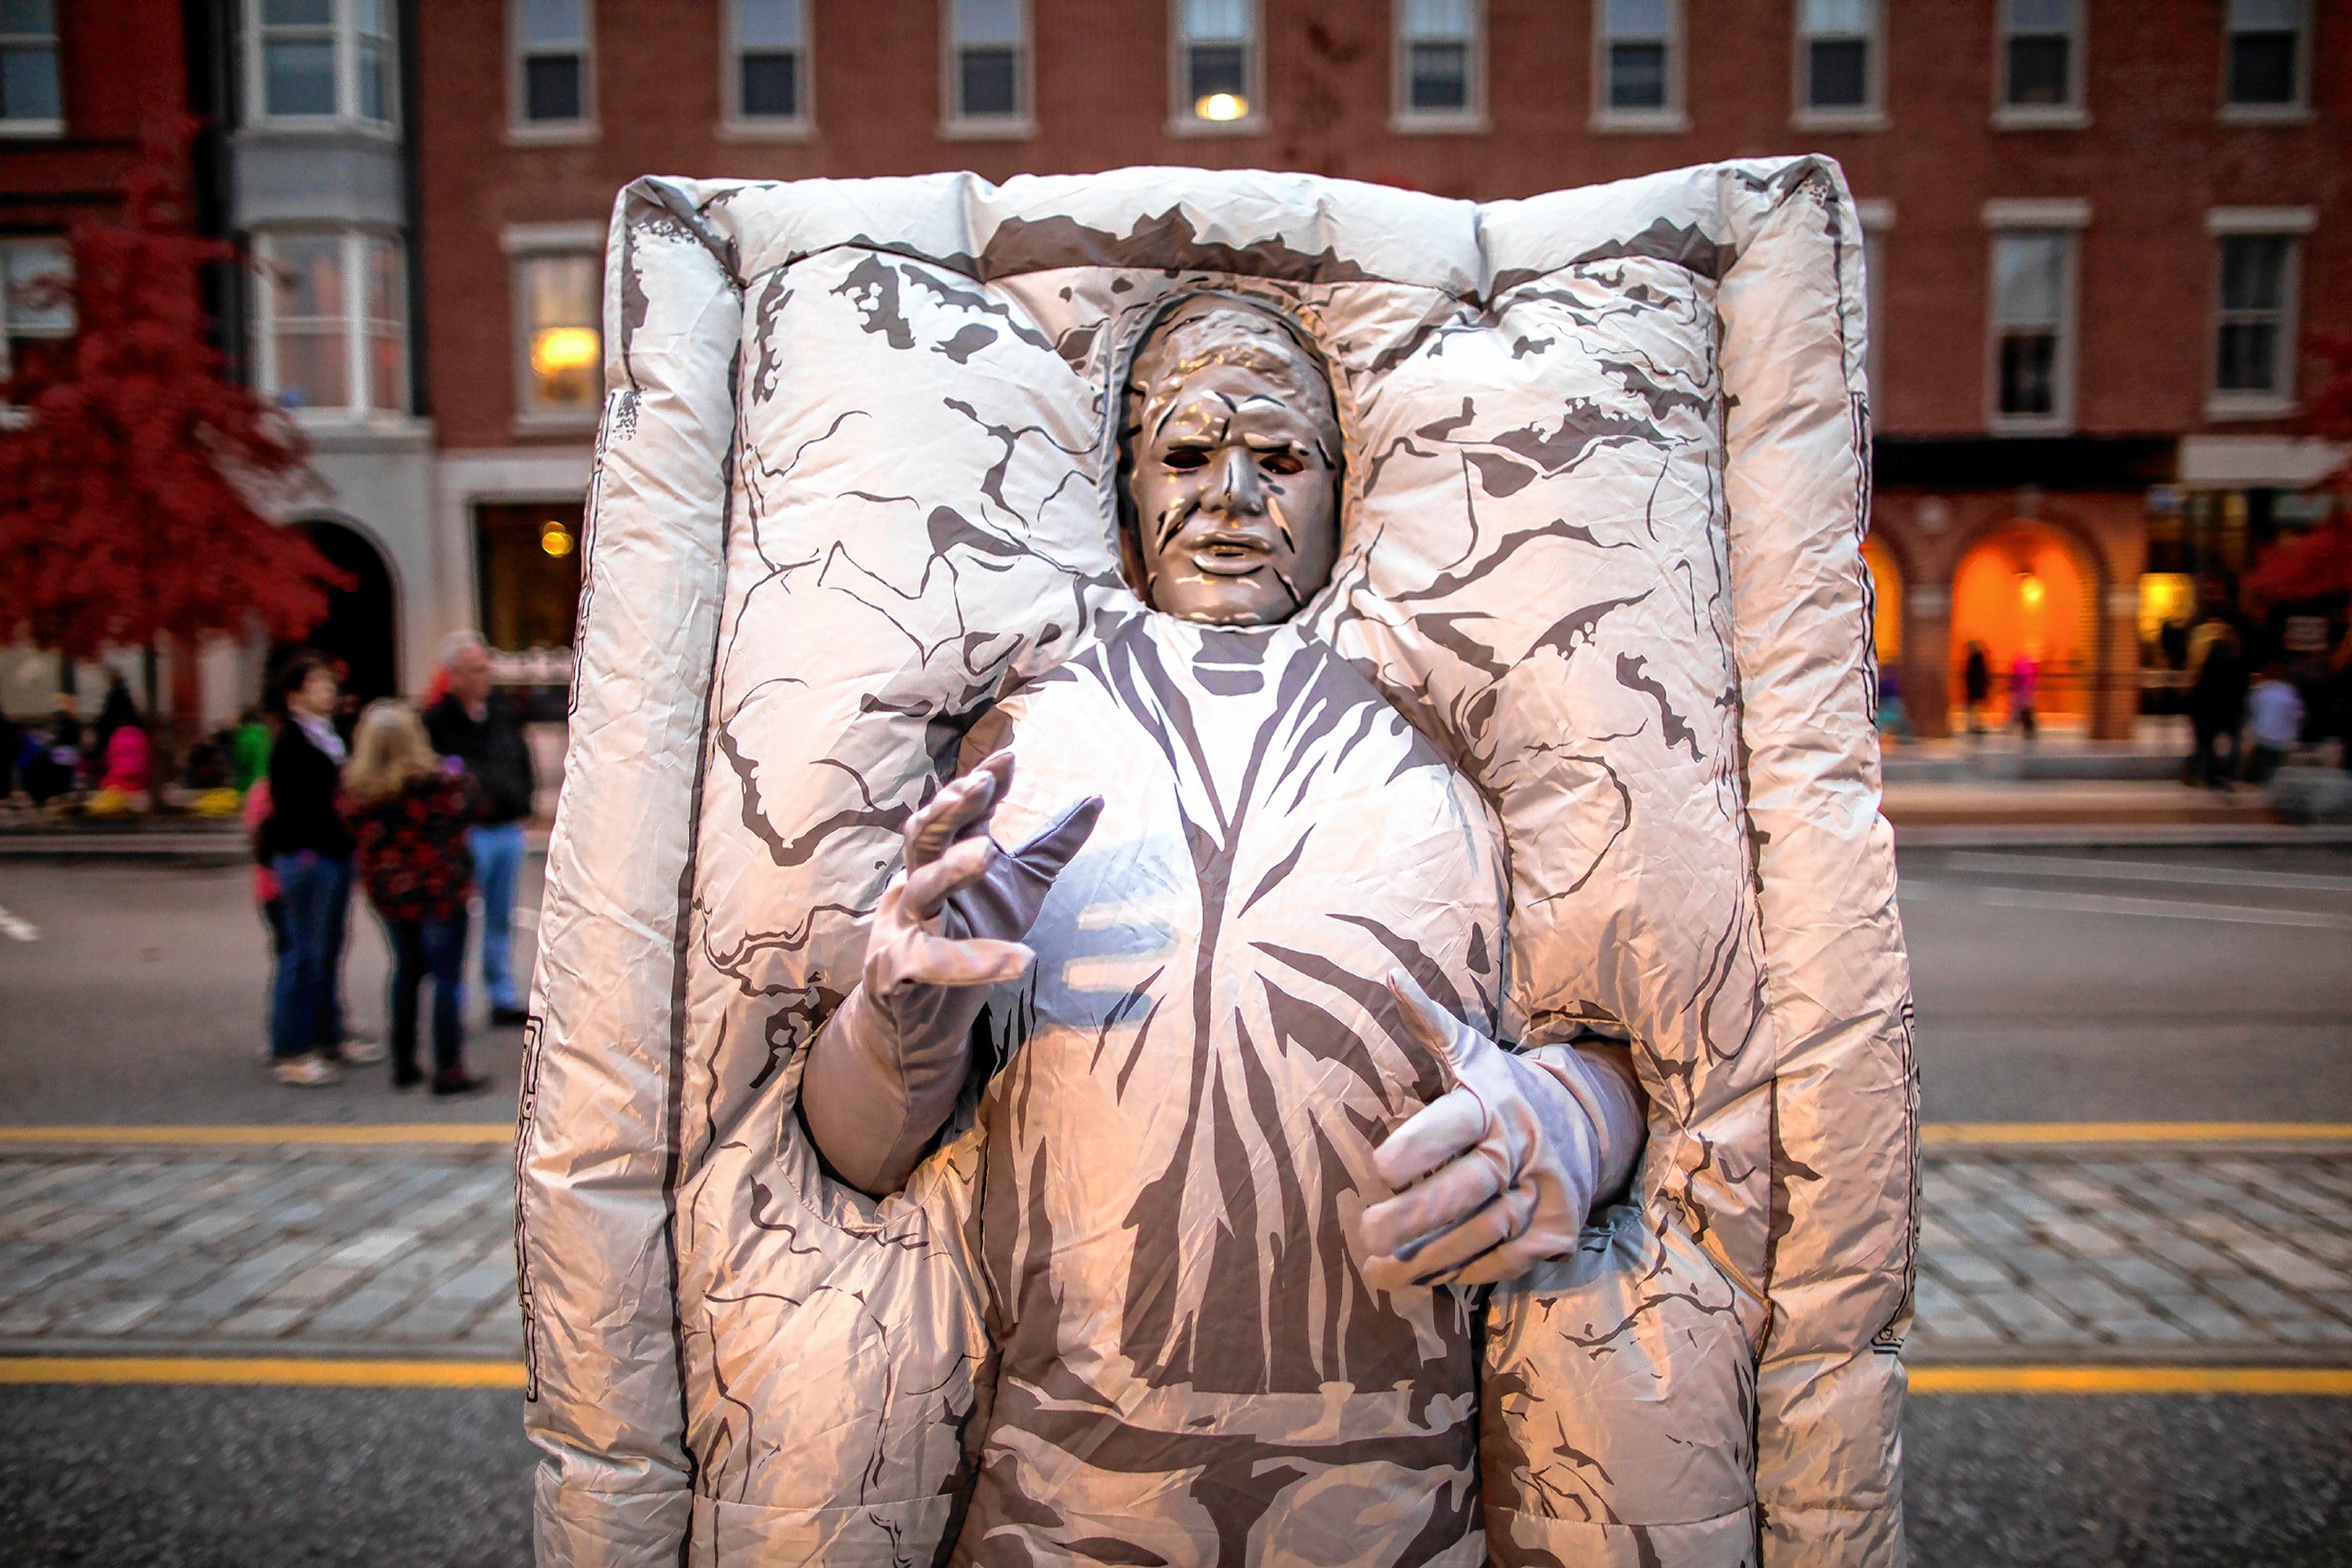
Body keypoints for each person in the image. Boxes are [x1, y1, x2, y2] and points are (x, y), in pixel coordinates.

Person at [792, 293, 1647, 1555]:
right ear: (1127, 491)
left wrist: (1572, 1125)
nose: (1235, 494)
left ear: (1341, 489)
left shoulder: (1448, 747)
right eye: (1187, 457)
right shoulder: (1023, 750)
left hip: (1393, 1478)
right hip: (1066, 1484)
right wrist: (898, 1024)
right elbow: (859, 1155)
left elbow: (1618, 1037)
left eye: (1282, 459)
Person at [341, 701, 491, 1095]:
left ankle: (404, 1061)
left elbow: (348, 826)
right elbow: (477, 806)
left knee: (407, 968)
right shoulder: (442, 784)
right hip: (442, 889)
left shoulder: (359, 790)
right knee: (446, 976)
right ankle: (448, 1067)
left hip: (390, 892)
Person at [259, 652, 380, 1086]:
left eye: (328, 682)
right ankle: (292, 1048)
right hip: (308, 857)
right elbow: (293, 809)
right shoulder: (291, 742)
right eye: (316, 683)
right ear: (294, 696)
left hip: (334, 855)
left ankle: (329, 1035)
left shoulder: (329, 736)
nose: (327, 689)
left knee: (329, 949)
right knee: (303, 954)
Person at [425, 632, 535, 1028]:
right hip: (467, 831)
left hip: (506, 826)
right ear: (455, 674)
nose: (485, 677)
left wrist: (524, 798)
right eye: (476, 670)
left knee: (501, 915)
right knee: (455, 918)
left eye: (486, 669)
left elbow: (519, 757)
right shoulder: (437, 720)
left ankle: (501, 992)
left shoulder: (501, 712)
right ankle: (450, 997)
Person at [2186, 626, 2249, 788]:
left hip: (2208, 712)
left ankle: (2204, 775)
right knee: (2233, 745)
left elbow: (2199, 692)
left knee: (2205, 746)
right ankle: (2228, 776)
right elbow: (2243, 689)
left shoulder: (2208, 669)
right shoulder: (2237, 665)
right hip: (2230, 712)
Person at [2244, 661, 2304, 785]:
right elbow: (2298, 714)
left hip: (2262, 733)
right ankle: (2270, 781)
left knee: (2262, 757)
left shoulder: (2259, 690)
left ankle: (2257, 778)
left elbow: (2251, 709)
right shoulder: (2290, 691)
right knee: (2275, 762)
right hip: (2283, 736)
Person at [2009, 649, 2041, 742]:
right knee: (2026, 713)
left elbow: (2015, 683)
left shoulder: (2019, 671)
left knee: (2021, 712)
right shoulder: (2029, 671)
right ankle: (2029, 730)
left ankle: (2025, 729)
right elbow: (2033, 683)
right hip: (2025, 695)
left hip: (2021, 694)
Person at [1962, 640, 1991, 735]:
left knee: (1972, 708)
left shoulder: (1975, 658)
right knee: (1974, 708)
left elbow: (1973, 675)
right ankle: (1975, 726)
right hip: (1976, 688)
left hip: (1974, 688)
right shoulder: (1979, 658)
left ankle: (1974, 726)